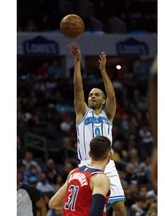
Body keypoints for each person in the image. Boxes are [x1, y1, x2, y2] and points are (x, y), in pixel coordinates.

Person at [67, 42, 126, 216]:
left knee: (120, 209)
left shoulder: (108, 115)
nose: (92, 96)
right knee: (90, 211)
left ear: (102, 100)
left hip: (107, 165)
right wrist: (77, 62)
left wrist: (103, 70)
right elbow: (78, 88)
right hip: (87, 165)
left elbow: (113, 95)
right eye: (91, 94)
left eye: (96, 94)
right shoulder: (82, 112)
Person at [49, 136, 112, 216]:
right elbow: (95, 214)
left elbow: (53, 203)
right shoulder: (99, 178)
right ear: (110, 154)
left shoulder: (73, 172)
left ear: (89, 153)